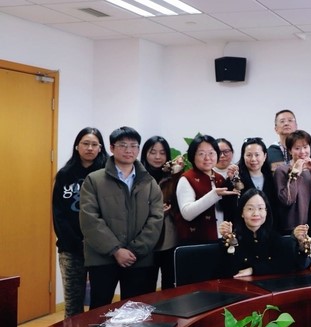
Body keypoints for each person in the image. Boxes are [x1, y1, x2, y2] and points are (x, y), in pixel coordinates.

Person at [79, 126, 163, 309]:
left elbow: (156, 218)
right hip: (102, 258)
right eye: (123, 145)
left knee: (136, 312)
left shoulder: (149, 182)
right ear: (112, 148)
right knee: (99, 311)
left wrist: (134, 251)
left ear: (138, 149)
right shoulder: (94, 180)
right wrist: (116, 250)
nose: (128, 150)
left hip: (139, 259)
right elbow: (90, 219)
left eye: (133, 146)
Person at [52, 127, 108, 317]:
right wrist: (75, 242)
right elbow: (58, 213)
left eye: (94, 144)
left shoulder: (107, 174)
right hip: (71, 249)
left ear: (100, 148)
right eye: (85, 143)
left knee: (100, 304)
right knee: (73, 305)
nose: (90, 148)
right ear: (77, 146)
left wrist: (97, 241)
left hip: (101, 249)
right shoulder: (65, 174)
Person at [218, 189, 297, 277]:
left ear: (266, 211)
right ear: (242, 213)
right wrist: (227, 239)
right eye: (250, 209)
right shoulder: (233, 239)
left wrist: (253, 270)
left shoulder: (274, 237)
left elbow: (286, 265)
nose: (256, 213)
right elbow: (226, 270)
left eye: (260, 208)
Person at [174, 135, 238, 244]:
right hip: (196, 241)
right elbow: (187, 213)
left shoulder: (219, 178)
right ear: (193, 156)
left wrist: (232, 181)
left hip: (222, 240)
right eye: (201, 154)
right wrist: (214, 195)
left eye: (211, 153)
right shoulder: (186, 179)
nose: (207, 158)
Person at [141, 136, 183, 290]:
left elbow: (182, 203)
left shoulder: (173, 176)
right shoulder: (138, 176)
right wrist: (155, 212)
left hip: (169, 239)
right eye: (153, 152)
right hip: (145, 239)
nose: (158, 157)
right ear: (145, 154)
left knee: (169, 285)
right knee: (145, 286)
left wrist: (177, 174)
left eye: (162, 152)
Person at [275, 130, 311, 232]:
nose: (302, 152)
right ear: (290, 151)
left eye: (305, 147)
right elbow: (287, 200)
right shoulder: (282, 170)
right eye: (297, 148)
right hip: (292, 228)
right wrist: (296, 173)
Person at [230, 137, 278, 213]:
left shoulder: (272, 179)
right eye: (249, 155)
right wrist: (232, 181)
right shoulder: (235, 178)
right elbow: (227, 205)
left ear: (265, 156)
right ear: (243, 156)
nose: (253, 159)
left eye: (257, 155)